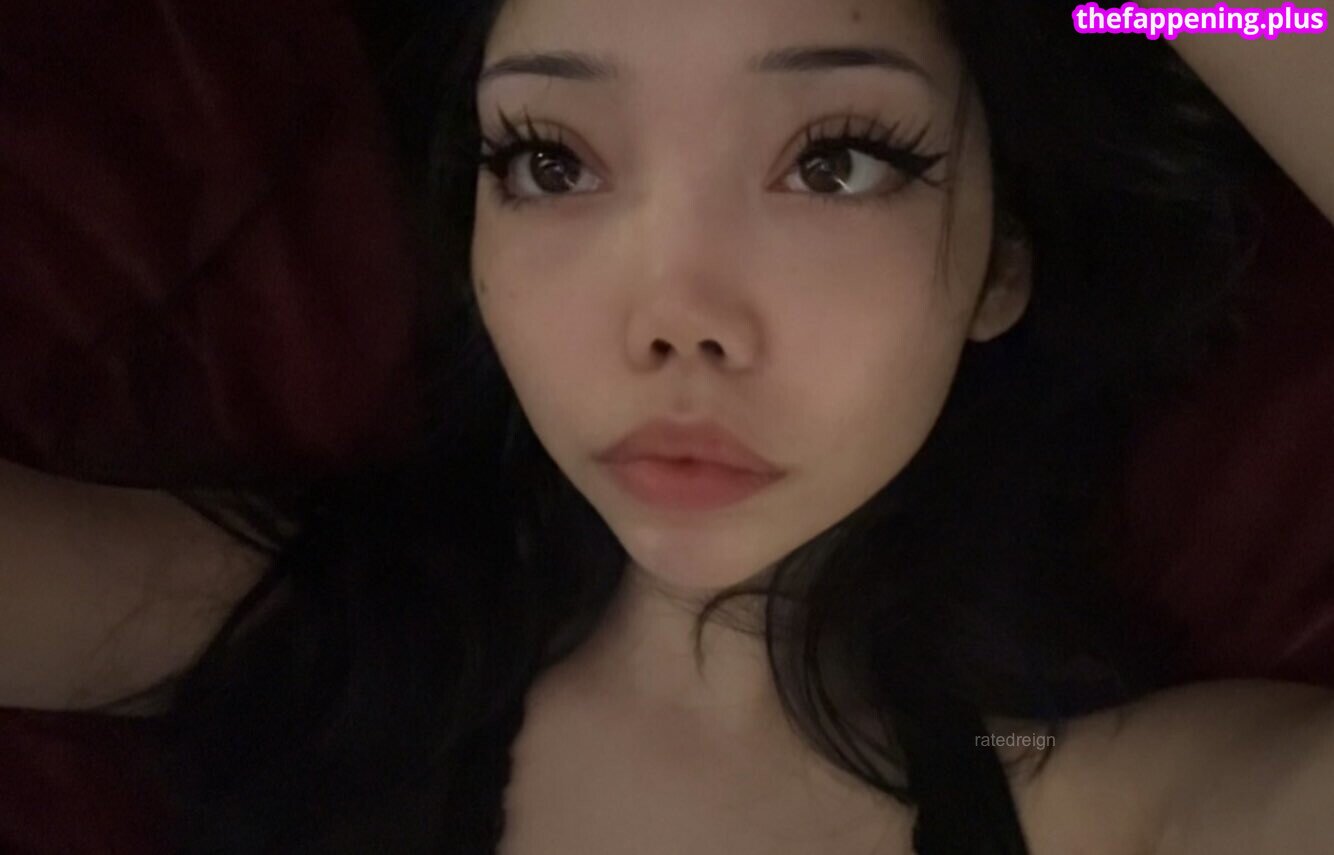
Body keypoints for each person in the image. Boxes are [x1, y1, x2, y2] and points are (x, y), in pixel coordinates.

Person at [1, 0, 1331, 852]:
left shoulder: (1105, 806)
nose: (674, 318)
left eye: (836, 160)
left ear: (1000, 263)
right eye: (551, 161)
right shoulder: (317, 633)